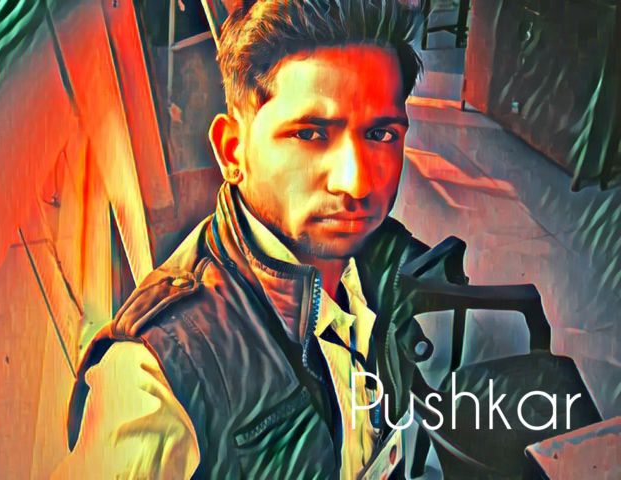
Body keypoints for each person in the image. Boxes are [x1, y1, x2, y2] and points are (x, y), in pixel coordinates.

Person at [53, 1, 600, 479]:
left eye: (380, 133)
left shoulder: (376, 253)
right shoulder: (155, 377)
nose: (357, 182)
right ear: (233, 152)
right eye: (312, 134)